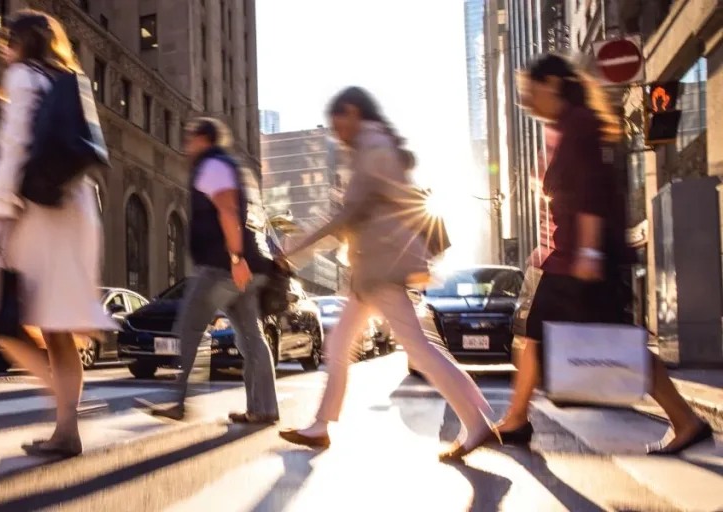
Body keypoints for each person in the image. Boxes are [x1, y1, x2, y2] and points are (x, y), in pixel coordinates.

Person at [497, 54, 712, 455]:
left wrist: (591, 251)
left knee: (545, 335)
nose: (526, 100)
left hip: (582, 257)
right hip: (567, 255)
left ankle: (517, 419)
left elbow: (590, 190)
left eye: (530, 90)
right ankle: (517, 418)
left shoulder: (578, 123)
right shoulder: (561, 127)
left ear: (553, 84)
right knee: (537, 334)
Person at [278, 87, 497, 461]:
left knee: (419, 350)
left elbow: (348, 215)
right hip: (370, 270)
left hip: (382, 270)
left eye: (337, 124)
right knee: (341, 345)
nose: (336, 133)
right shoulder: (372, 146)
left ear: (351, 112)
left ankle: (477, 422)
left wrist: (293, 249)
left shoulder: (373, 146)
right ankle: (320, 425)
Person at [0, 9, 115, 458]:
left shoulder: (21, 78)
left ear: (21, 41)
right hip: (75, 207)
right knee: (54, 327)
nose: (4, 46)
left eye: (7, 38)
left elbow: (13, 147)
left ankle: (64, 418)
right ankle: (66, 428)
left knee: (9, 322)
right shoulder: (66, 78)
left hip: (38, 214)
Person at [148, 117, 279, 424]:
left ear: (204, 139)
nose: (186, 144)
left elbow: (228, 210)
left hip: (222, 267)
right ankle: (264, 408)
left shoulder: (213, 165)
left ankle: (180, 402)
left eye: (190, 138)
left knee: (190, 327)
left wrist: (235, 258)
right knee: (251, 338)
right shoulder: (230, 166)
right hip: (240, 266)